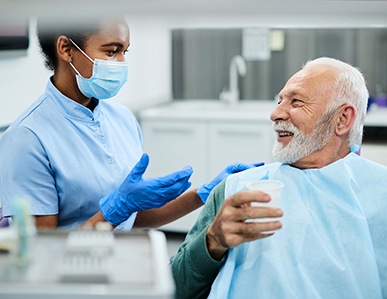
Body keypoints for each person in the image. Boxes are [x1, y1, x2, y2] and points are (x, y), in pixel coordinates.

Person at [0, 16, 261, 230]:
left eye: (125, 52)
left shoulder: (122, 119)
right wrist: (116, 208)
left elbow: (133, 218)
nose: (122, 63)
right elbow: (41, 258)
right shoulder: (27, 138)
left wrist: (205, 194)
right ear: (66, 49)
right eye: (112, 51)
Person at [170, 57, 387, 299]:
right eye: (279, 101)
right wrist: (212, 241)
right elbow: (175, 288)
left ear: (342, 119)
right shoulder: (236, 193)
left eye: (296, 101)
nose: (275, 114)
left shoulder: (381, 193)